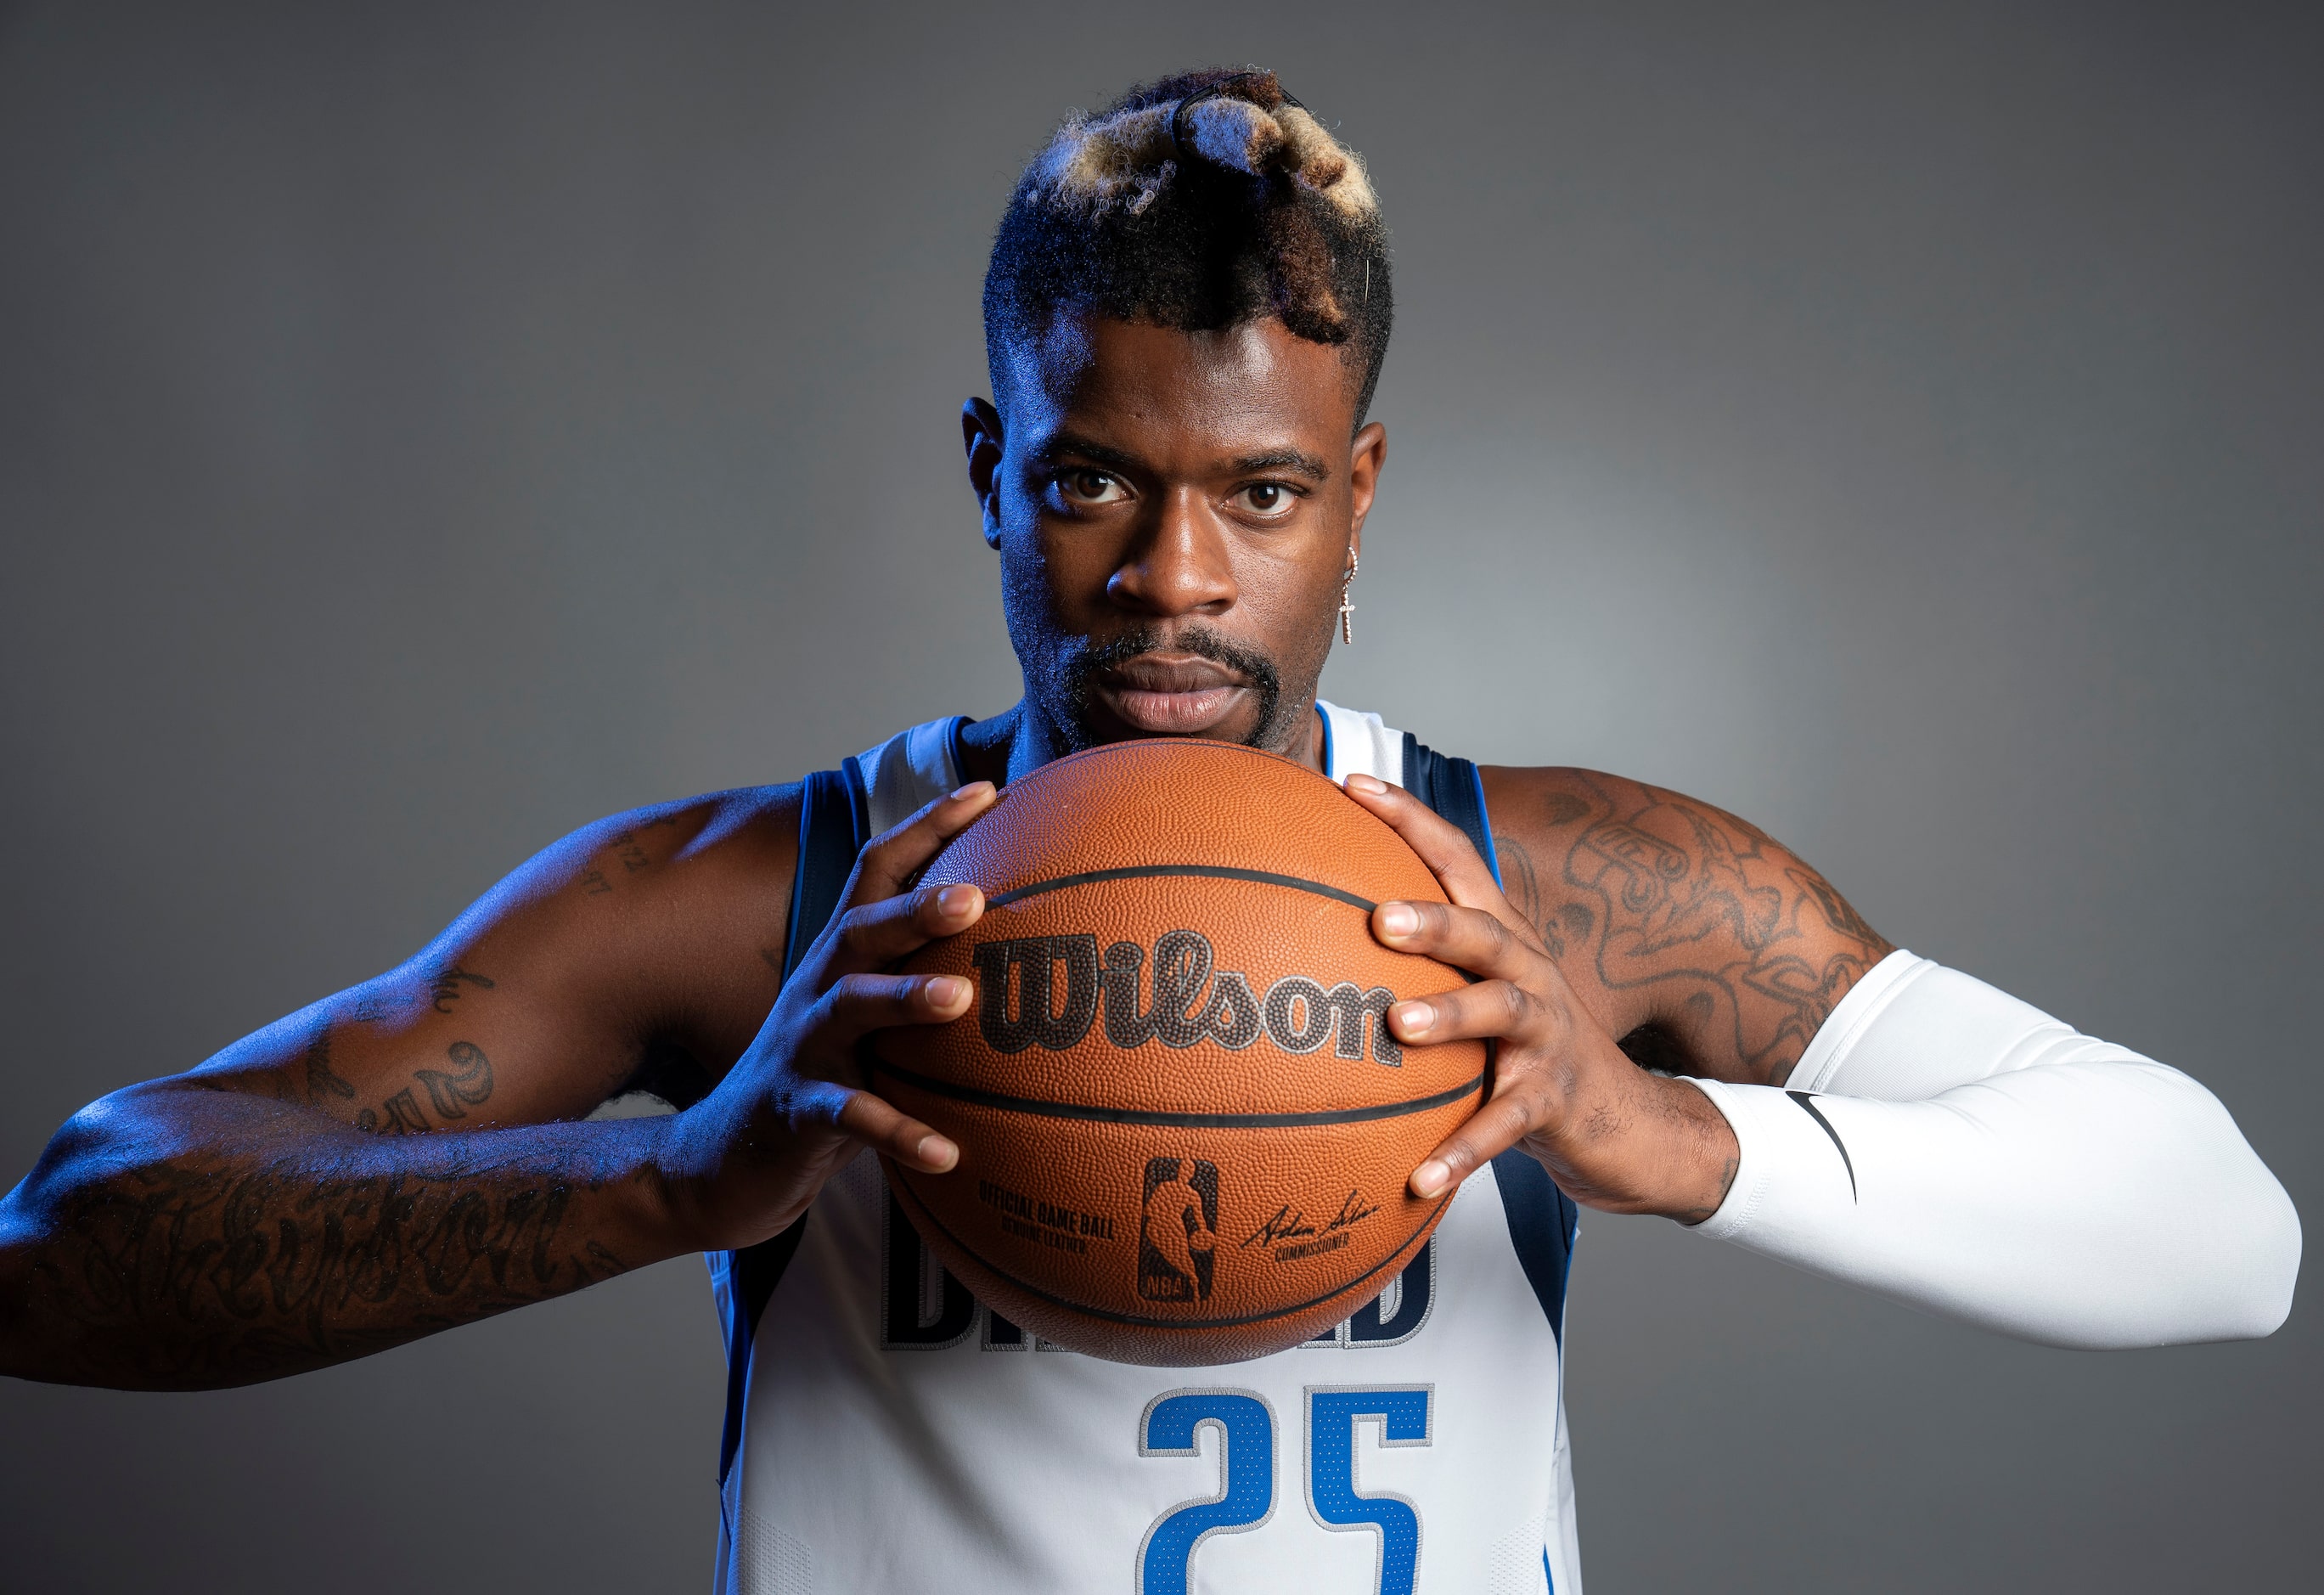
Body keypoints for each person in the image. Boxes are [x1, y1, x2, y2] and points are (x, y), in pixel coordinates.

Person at [0, 68, 2299, 1595]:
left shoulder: (1563, 894)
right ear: (991, 472)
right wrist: (674, 1181)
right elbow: (62, 1253)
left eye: (1262, 495)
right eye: (1093, 477)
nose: (1173, 579)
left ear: (1357, 499)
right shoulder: (765, 906)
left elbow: (2224, 1239)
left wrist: (1652, 1129)